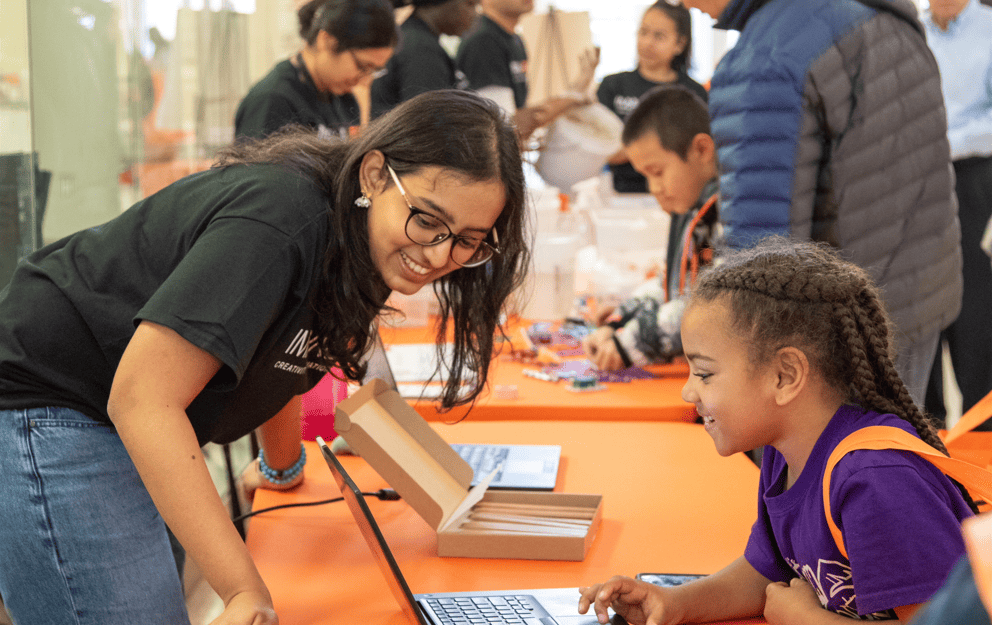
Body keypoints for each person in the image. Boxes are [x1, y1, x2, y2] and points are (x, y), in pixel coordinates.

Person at [0, 89, 528, 625]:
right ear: (374, 175)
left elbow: (282, 354)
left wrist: (282, 466)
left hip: (113, 405)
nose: (439, 254)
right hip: (53, 399)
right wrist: (243, 589)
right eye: (427, 220)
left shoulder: (360, 238)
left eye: (468, 241)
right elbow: (143, 400)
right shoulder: (280, 223)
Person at [578, 237, 978, 625]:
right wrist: (673, 603)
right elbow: (768, 573)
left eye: (704, 373)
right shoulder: (784, 449)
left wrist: (805, 619)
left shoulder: (877, 482)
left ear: (785, 376)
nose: (687, 391)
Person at [677, 0, 962, 409]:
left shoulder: (768, 57)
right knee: (890, 460)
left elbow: (760, 263)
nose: (682, 2)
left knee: (833, 471)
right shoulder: (883, 18)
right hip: (916, 298)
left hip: (840, 342)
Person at [582, 85, 718, 371]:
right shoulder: (688, 205)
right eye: (645, 176)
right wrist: (622, 318)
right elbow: (672, 282)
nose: (654, 188)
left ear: (702, 149)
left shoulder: (726, 213)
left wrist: (629, 344)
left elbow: (711, 308)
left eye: (658, 172)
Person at [921, 0, 992, 430]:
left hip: (976, 181)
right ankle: (926, 446)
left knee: (977, 319)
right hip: (916, 183)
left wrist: (943, 142)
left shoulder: (989, 27)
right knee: (919, 314)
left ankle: (983, 446)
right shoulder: (911, 30)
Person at [234, 0, 398, 140]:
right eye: (362, 66)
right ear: (326, 41)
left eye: (375, 71)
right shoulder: (272, 101)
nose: (365, 79)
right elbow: (256, 175)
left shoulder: (341, 93)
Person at [596, 1, 708, 194]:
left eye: (659, 36)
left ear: (680, 44)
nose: (647, 42)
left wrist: (630, 150)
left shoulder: (693, 93)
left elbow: (698, 154)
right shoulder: (613, 85)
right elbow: (601, 150)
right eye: (643, 32)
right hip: (619, 196)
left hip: (677, 194)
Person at [456, 0, 598, 145]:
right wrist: (572, 98)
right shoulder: (484, 40)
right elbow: (505, 128)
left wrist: (576, 91)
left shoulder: (515, 40)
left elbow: (520, 113)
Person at [369, 0, 478, 118]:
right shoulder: (421, 50)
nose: (475, 14)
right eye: (470, 4)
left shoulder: (410, 36)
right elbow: (429, 121)